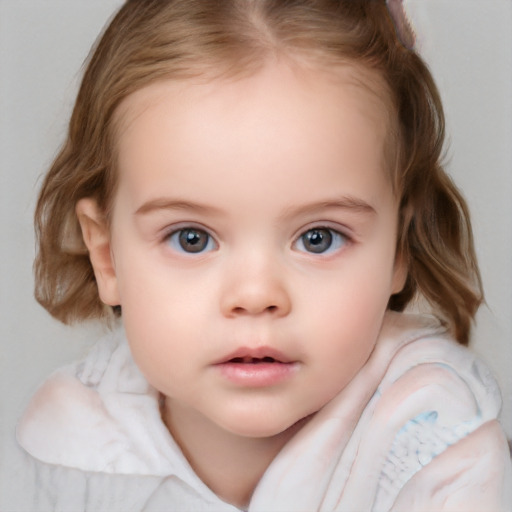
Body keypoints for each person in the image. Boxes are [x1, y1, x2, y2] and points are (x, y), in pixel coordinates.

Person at [14, 0, 511, 510]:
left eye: (319, 237)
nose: (256, 296)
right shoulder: (73, 438)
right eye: (191, 238)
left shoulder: (432, 435)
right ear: (107, 256)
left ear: (397, 251)